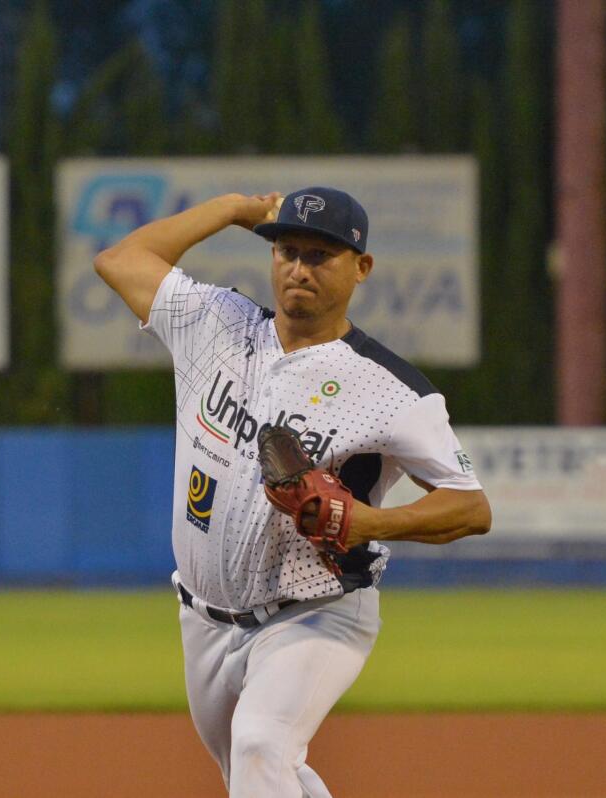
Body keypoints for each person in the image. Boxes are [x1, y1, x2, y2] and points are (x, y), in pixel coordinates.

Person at [94, 187, 492, 797]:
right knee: (261, 773)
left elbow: (470, 505)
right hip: (202, 618)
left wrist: (367, 523)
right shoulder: (213, 323)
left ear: (361, 267)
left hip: (315, 611)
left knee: (261, 744)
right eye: (287, 250)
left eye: (320, 255)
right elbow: (119, 260)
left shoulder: (391, 390)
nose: (300, 268)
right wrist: (232, 208)